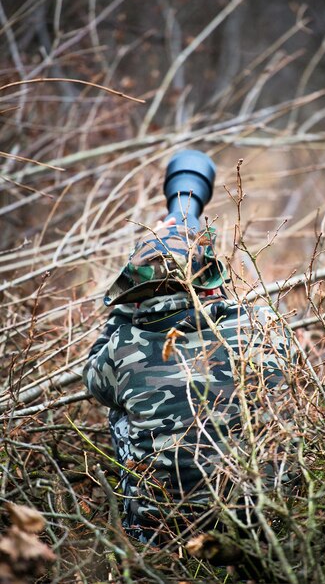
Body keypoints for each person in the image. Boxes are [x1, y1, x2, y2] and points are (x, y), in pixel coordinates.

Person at [83, 219, 291, 545]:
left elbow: (92, 378)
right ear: (210, 279)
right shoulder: (263, 322)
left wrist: (123, 315)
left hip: (161, 529)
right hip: (262, 519)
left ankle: (140, 518)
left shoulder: (122, 346)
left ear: (137, 288)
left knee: (118, 405)